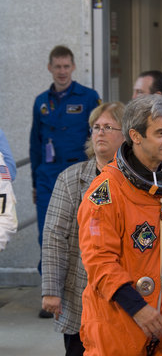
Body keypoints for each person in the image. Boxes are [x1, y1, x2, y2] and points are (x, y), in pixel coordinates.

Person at [78, 94, 162, 356]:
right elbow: (99, 262)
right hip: (119, 317)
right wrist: (138, 308)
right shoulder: (107, 191)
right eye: (160, 133)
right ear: (135, 136)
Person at [41, 102, 125, 354]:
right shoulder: (70, 178)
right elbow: (54, 236)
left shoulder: (138, 180)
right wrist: (51, 290)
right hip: (80, 297)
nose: (100, 132)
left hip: (126, 297)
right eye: (96, 127)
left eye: (108, 127)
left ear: (127, 134)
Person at [29, 45, 101, 280]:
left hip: (80, 174)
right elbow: (35, 144)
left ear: (73, 67)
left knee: (83, 231)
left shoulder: (89, 97)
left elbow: (101, 137)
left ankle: (82, 285)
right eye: (57, 66)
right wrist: (34, 183)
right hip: (47, 176)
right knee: (47, 233)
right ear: (50, 68)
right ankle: (50, 288)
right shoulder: (41, 101)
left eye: (66, 66)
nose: (62, 71)